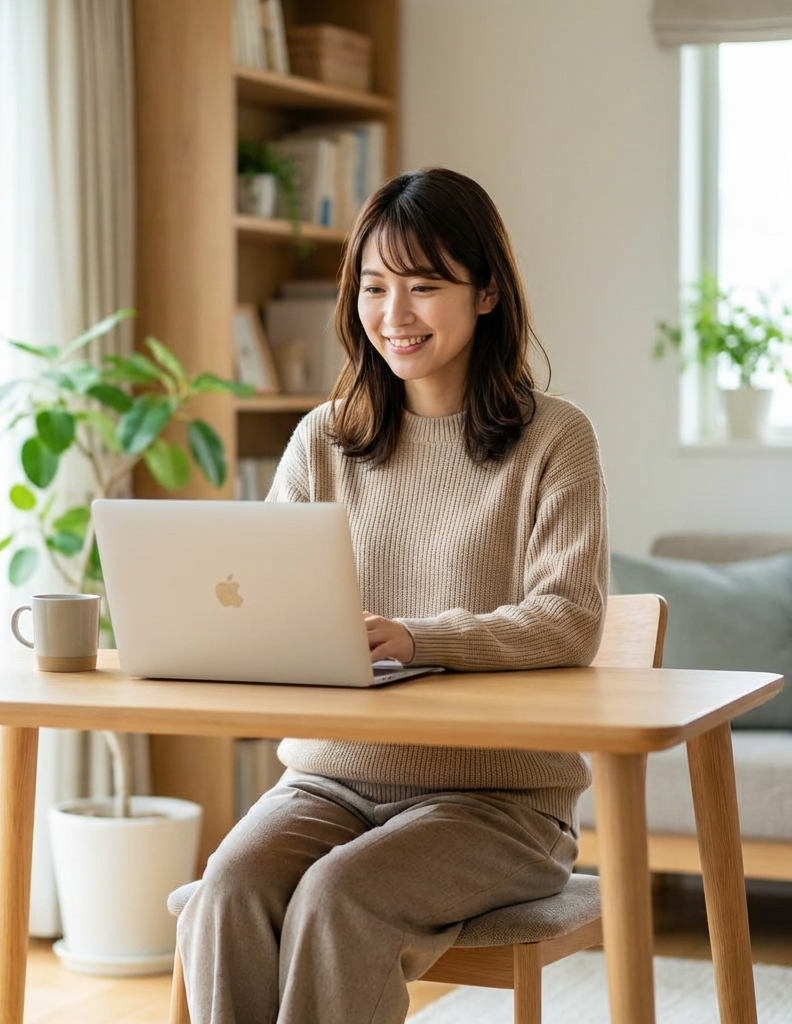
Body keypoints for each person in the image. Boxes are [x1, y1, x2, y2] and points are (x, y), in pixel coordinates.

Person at [177, 167, 608, 1024]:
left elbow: (571, 619)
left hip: (501, 802)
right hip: (331, 781)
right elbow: (260, 603)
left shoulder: (555, 438)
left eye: (425, 286)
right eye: (375, 287)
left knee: (341, 898)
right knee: (226, 890)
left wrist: (416, 637)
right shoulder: (323, 439)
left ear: (487, 292)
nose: (395, 315)